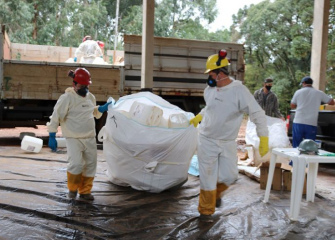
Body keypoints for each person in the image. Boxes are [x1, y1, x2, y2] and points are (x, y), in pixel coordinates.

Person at [189, 50, 269, 220]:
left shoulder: (239, 91)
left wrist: (264, 137)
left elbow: (257, 114)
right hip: (207, 139)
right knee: (207, 175)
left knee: (230, 175)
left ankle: (216, 193)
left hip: (227, 141)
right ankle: (205, 211)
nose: (209, 78)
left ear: (220, 74)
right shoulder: (209, 90)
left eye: (211, 74)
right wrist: (200, 116)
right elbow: (210, 108)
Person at [47, 68, 113, 201]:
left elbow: (91, 111)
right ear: (74, 84)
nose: (85, 88)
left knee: (90, 164)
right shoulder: (67, 98)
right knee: (76, 164)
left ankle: (85, 191)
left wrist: (100, 109)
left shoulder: (91, 97)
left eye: (87, 86)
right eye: (82, 86)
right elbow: (56, 116)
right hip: (73, 138)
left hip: (89, 137)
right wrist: (52, 135)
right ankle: (72, 189)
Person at [290, 76, 334, 147]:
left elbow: (292, 105)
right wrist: (319, 101)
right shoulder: (319, 93)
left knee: (296, 144)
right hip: (311, 123)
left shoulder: (298, 92)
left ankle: (295, 158)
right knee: (309, 146)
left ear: (304, 83)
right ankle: (308, 157)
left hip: (298, 122)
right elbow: (332, 102)